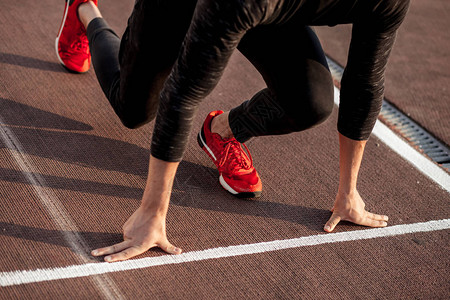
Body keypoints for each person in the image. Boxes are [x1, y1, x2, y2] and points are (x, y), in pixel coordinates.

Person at [56, 0, 410, 262]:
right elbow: (182, 93)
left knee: (311, 102)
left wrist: (349, 193)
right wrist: (151, 213)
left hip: (265, 10)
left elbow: (365, 81)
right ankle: (85, 10)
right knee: (133, 110)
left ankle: (221, 131)